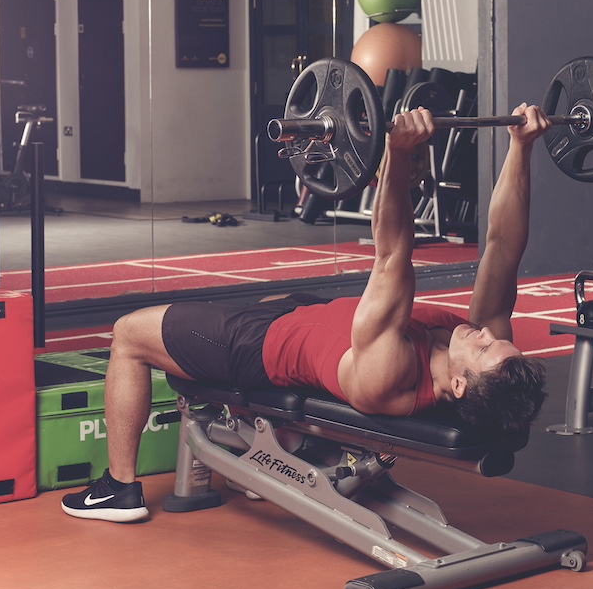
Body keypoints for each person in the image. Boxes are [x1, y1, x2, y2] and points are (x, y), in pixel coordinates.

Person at [62, 102, 550, 523]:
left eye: (484, 346)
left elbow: (391, 255)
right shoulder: (468, 358)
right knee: (274, 302)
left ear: (460, 385)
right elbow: (504, 247)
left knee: (127, 335)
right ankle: (263, 461)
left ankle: (119, 488)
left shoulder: (393, 373)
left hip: (259, 348)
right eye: (494, 338)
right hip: (303, 320)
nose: (482, 333)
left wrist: (397, 155)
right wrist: (521, 147)